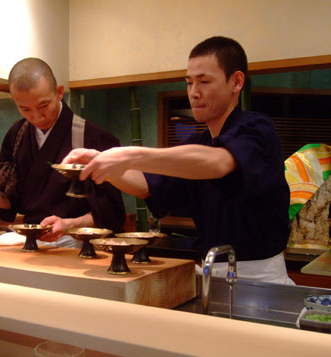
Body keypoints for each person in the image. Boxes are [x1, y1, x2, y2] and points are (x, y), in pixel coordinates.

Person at [62, 36, 294, 284]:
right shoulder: (197, 144)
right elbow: (144, 185)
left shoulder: (257, 129)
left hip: (261, 278)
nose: (194, 93)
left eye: (204, 82)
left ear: (236, 82)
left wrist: (129, 155)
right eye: (189, 83)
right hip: (210, 274)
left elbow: (218, 163)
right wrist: (102, 163)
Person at [0, 58, 125, 246]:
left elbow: (112, 213)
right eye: (24, 109)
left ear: (59, 93)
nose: (36, 117)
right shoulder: (16, 136)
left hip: (79, 242)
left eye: (43, 106)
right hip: (31, 240)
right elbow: (11, 204)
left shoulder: (93, 138)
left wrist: (69, 224)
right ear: (14, 101)